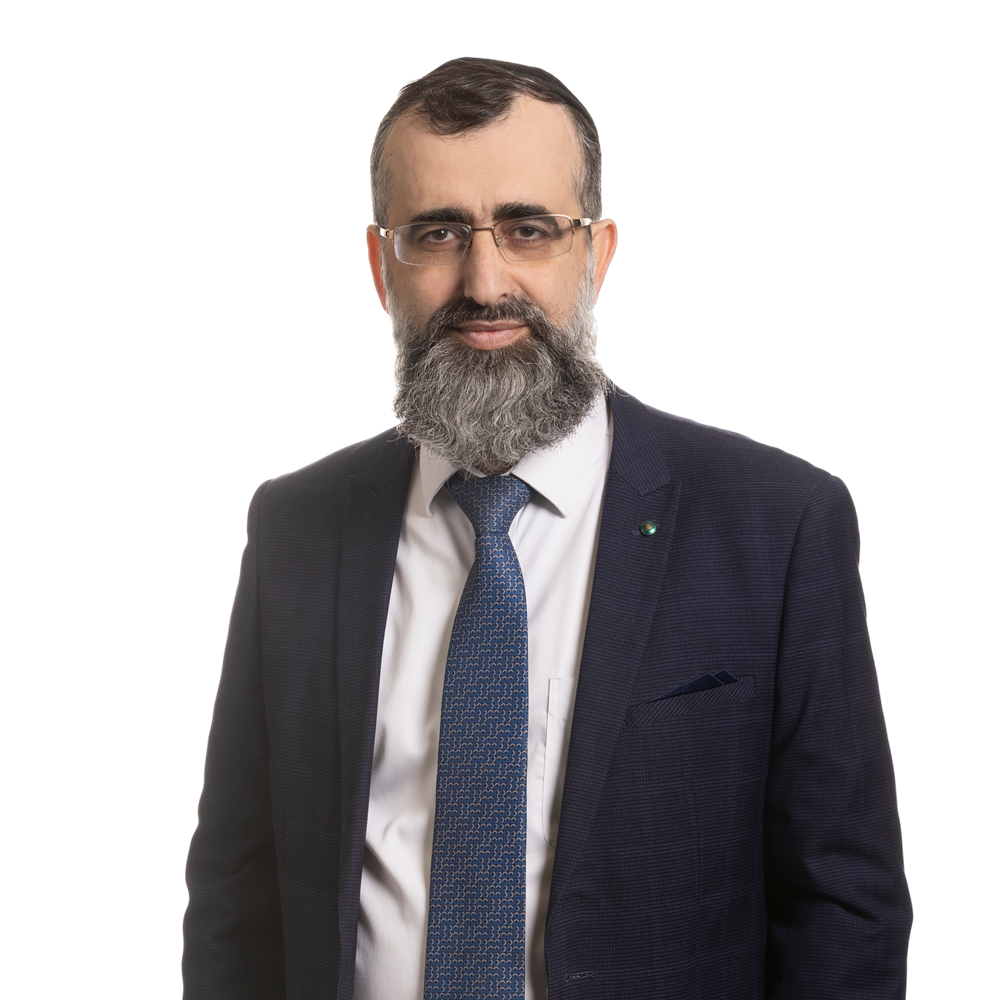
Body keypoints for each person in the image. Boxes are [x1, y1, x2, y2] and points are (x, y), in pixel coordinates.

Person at [183, 57, 912, 999]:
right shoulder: (296, 525)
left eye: (528, 229)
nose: (485, 282)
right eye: (437, 232)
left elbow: (845, 912)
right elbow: (237, 890)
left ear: (596, 253)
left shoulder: (778, 523)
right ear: (379, 266)